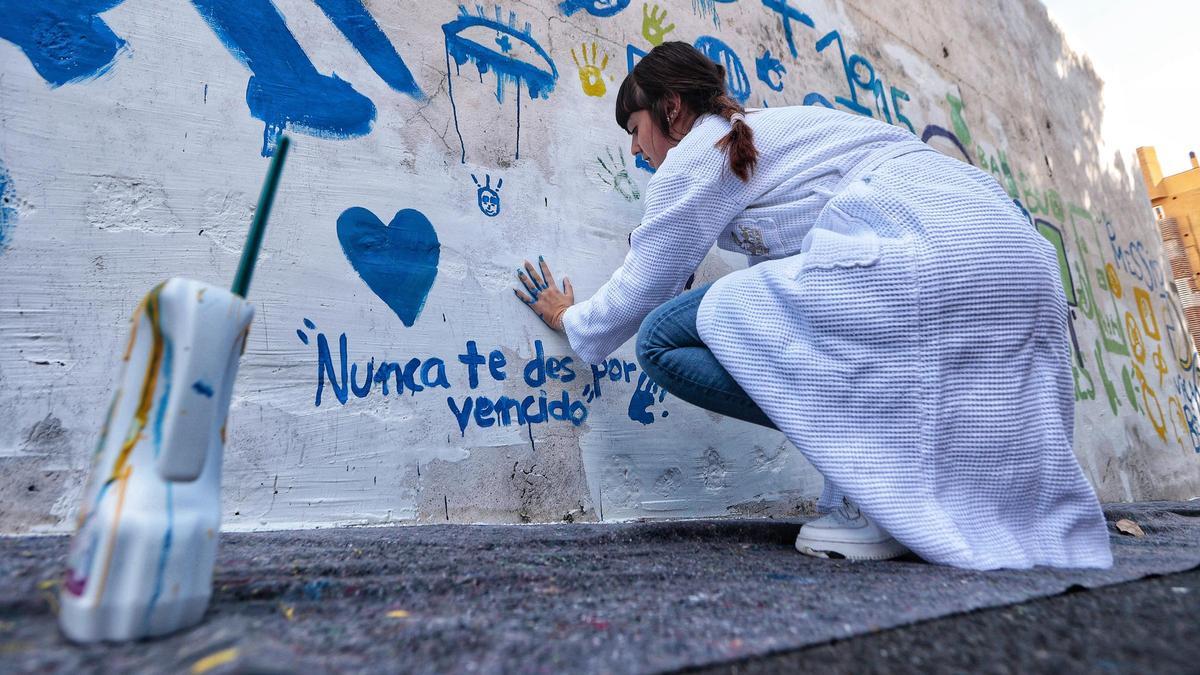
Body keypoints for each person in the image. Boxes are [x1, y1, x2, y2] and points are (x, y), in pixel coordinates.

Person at [513, 42, 1112, 571]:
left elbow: (642, 286)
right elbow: (814, 339)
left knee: (662, 341)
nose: (637, 152)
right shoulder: (778, 137)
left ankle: (876, 493)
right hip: (1009, 248)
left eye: (636, 130)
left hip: (928, 248)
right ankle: (882, 493)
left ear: (671, 110)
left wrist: (572, 317)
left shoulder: (701, 151)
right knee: (790, 341)